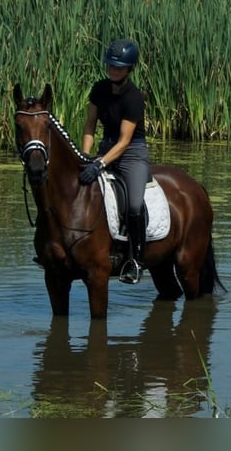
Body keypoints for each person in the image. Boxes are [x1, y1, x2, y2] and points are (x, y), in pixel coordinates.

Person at [79, 38, 150, 284]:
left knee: (133, 204)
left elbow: (124, 141)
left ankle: (137, 261)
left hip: (131, 154)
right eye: (110, 65)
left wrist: (99, 164)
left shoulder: (134, 97)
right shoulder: (99, 90)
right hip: (105, 149)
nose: (113, 70)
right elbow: (89, 126)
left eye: (118, 67)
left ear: (130, 69)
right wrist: (85, 156)